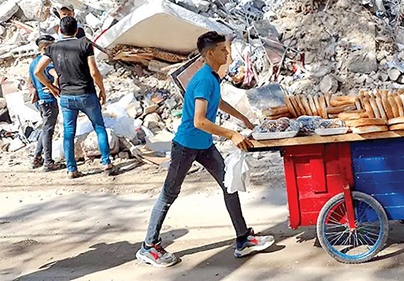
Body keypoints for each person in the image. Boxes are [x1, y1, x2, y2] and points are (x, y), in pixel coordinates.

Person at [135, 31, 272, 268]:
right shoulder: (204, 79)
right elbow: (199, 121)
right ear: (210, 53)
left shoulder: (212, 77)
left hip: (205, 145)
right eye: (222, 50)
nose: (227, 53)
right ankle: (148, 246)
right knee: (169, 194)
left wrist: (244, 119)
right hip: (186, 146)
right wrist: (231, 133)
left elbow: (216, 101)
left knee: (229, 185)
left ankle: (243, 239)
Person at [34, 16, 114, 178]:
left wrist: (51, 87)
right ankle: (106, 163)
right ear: (76, 30)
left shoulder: (52, 48)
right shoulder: (85, 44)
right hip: (87, 94)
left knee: (68, 133)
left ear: (60, 31)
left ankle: (72, 169)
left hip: (66, 97)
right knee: (99, 127)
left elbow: (37, 71)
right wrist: (102, 88)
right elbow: (94, 71)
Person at [27, 35, 62, 171]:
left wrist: (35, 91)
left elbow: (29, 82)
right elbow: (56, 75)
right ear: (45, 48)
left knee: (45, 128)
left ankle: (37, 157)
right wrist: (54, 86)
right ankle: (48, 161)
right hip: (48, 100)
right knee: (48, 130)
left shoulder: (33, 63)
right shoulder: (47, 62)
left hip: (40, 102)